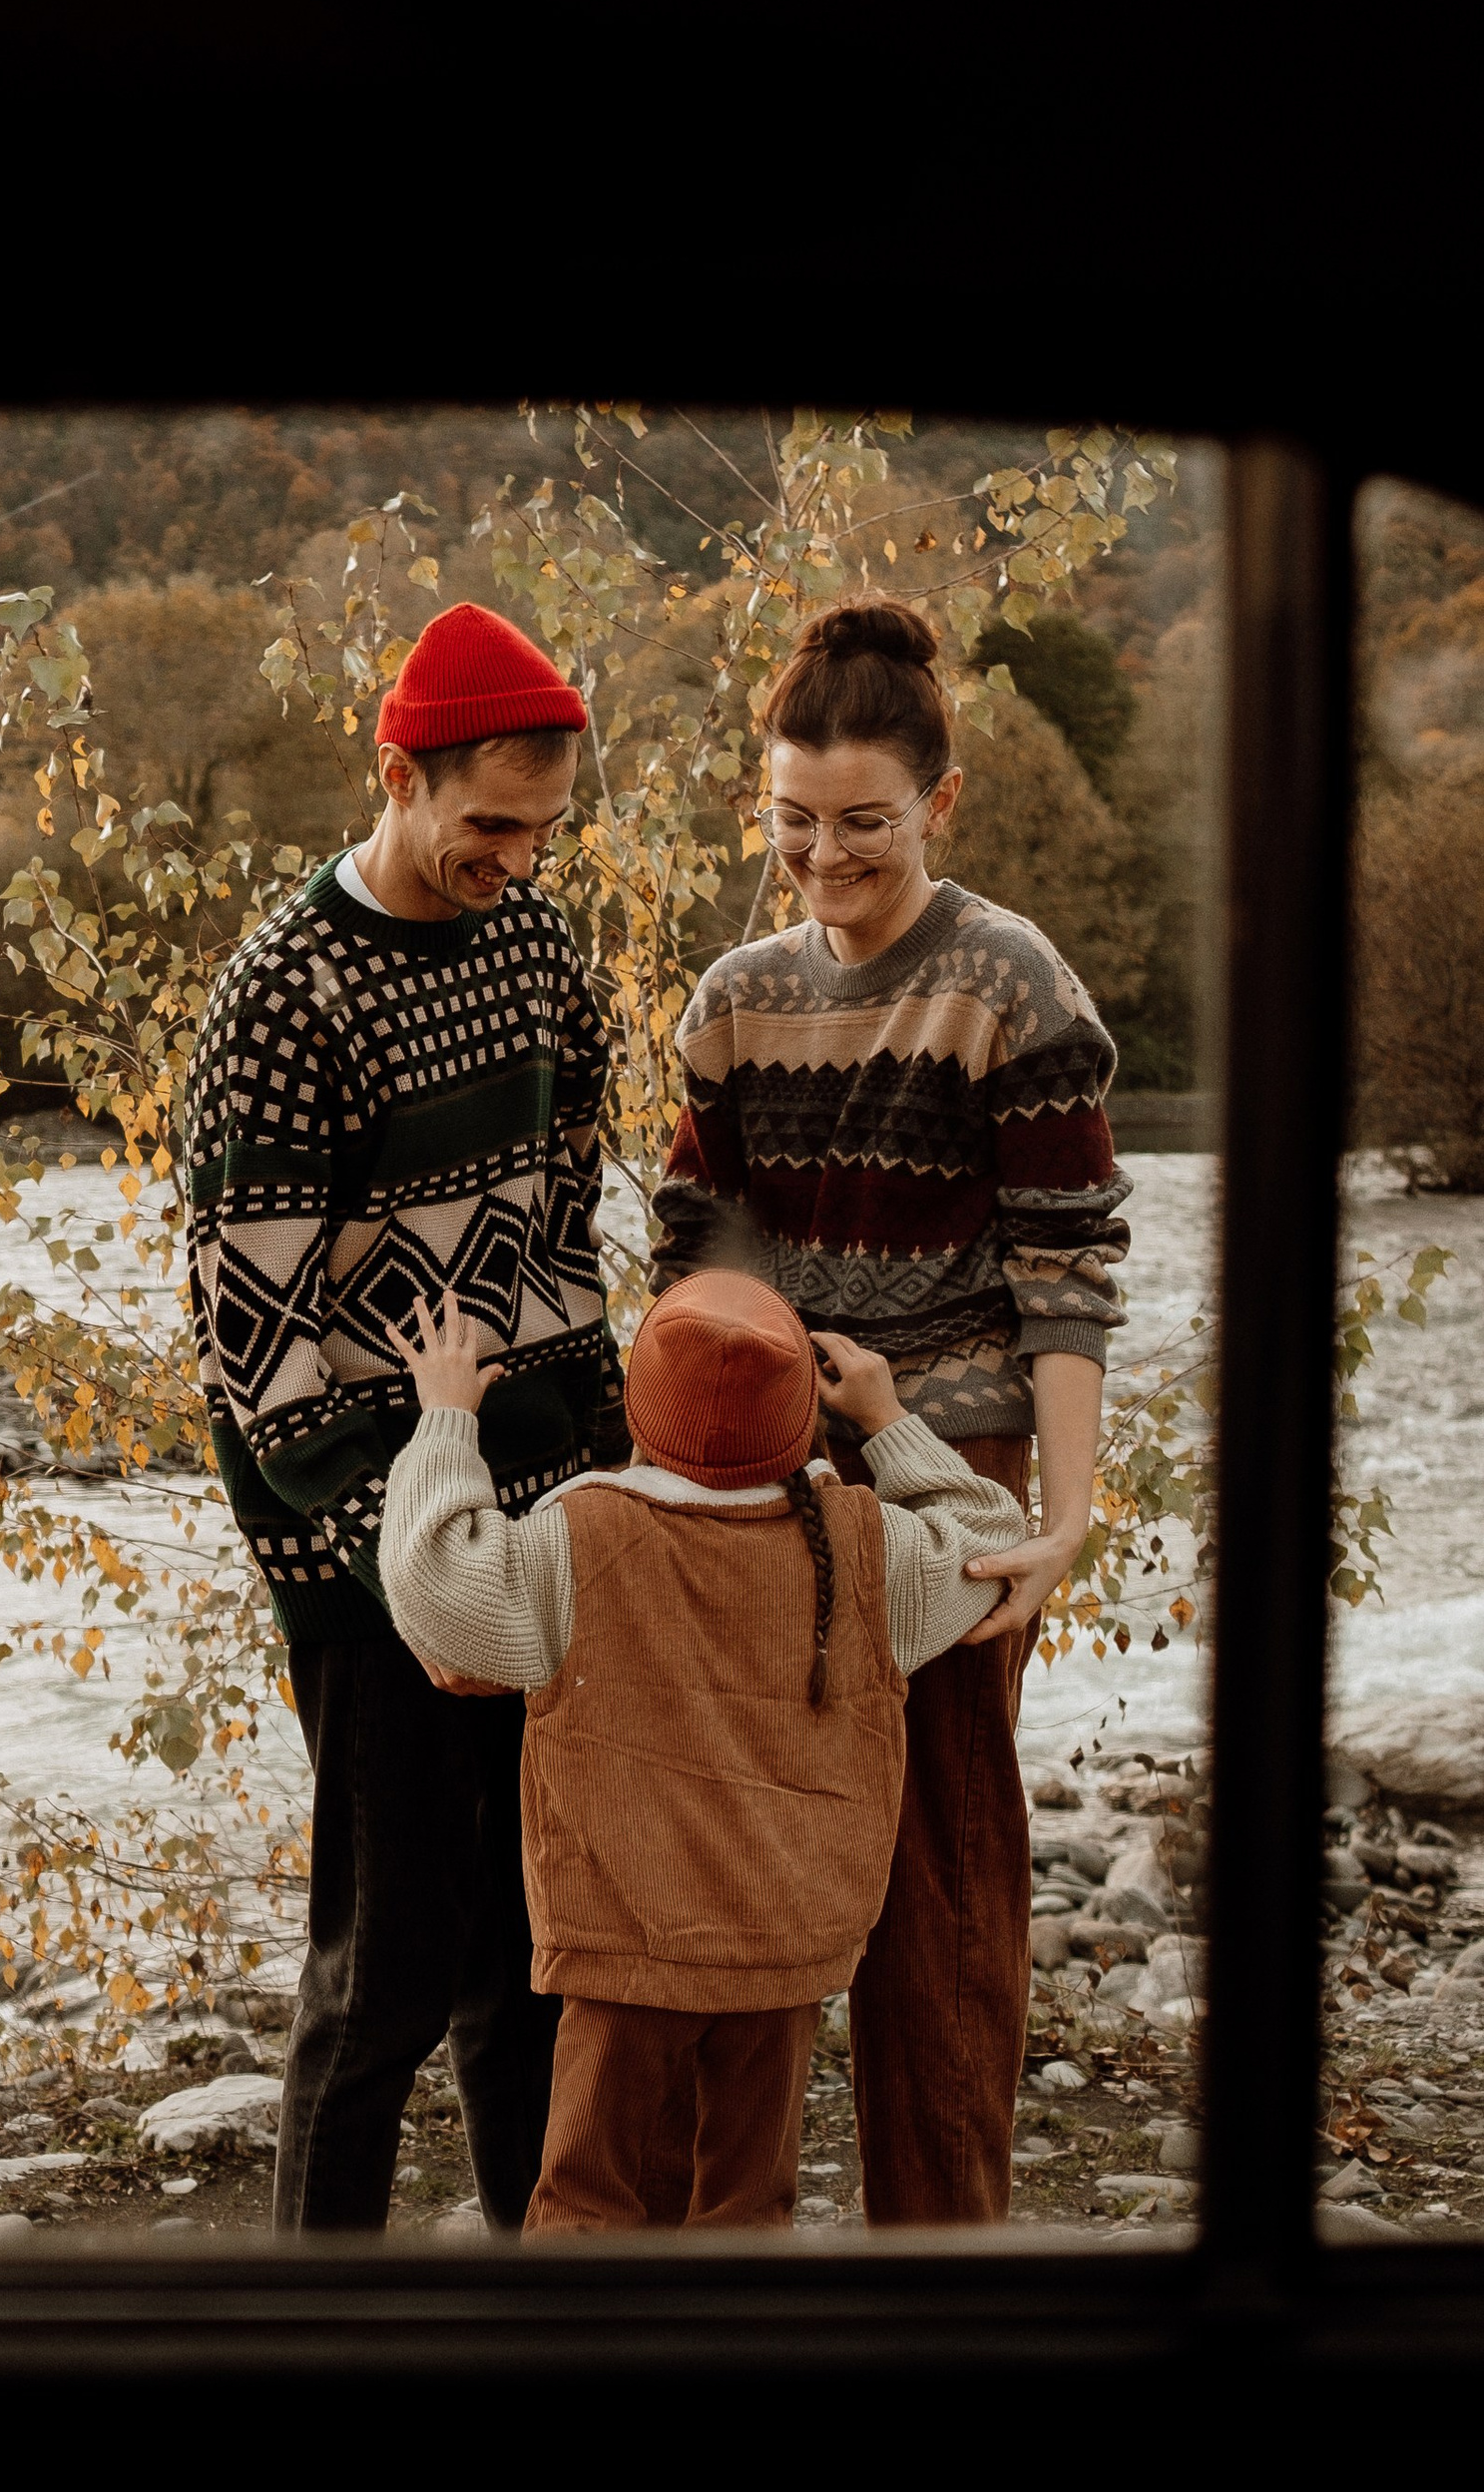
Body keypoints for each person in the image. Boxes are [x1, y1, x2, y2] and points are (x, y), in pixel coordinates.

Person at [649, 599, 1131, 2225]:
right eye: (794, 822)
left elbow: (1069, 1278)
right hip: (765, 1465)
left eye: (863, 822)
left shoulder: (1011, 985)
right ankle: (738, 2241)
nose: (826, 857)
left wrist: (1057, 1528)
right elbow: (691, 1272)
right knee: (745, 1846)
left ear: (941, 798)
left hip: (959, 1469)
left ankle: (943, 2255)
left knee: (936, 1874)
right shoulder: (727, 1005)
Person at [184, 598, 624, 2233]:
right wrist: (414, 1572)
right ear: (398, 775)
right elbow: (262, 1355)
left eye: (544, 827)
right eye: (489, 824)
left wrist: (612, 1482)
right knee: (382, 1970)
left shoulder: (537, 946)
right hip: (360, 1547)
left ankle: (537, 2291)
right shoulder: (285, 1003)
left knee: (534, 1960)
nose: (515, 856)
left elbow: (563, 1216)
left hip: (552, 1518)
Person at [376, 1272, 1029, 2231]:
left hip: (624, 1946)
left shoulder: (577, 1538)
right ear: (802, 1419)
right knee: (748, 2203)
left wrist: (444, 1422)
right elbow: (989, 1536)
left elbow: (432, 1582)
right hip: (786, 1949)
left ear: (641, 1415)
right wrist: (887, 1420)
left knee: (590, 2196)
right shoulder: (864, 1547)